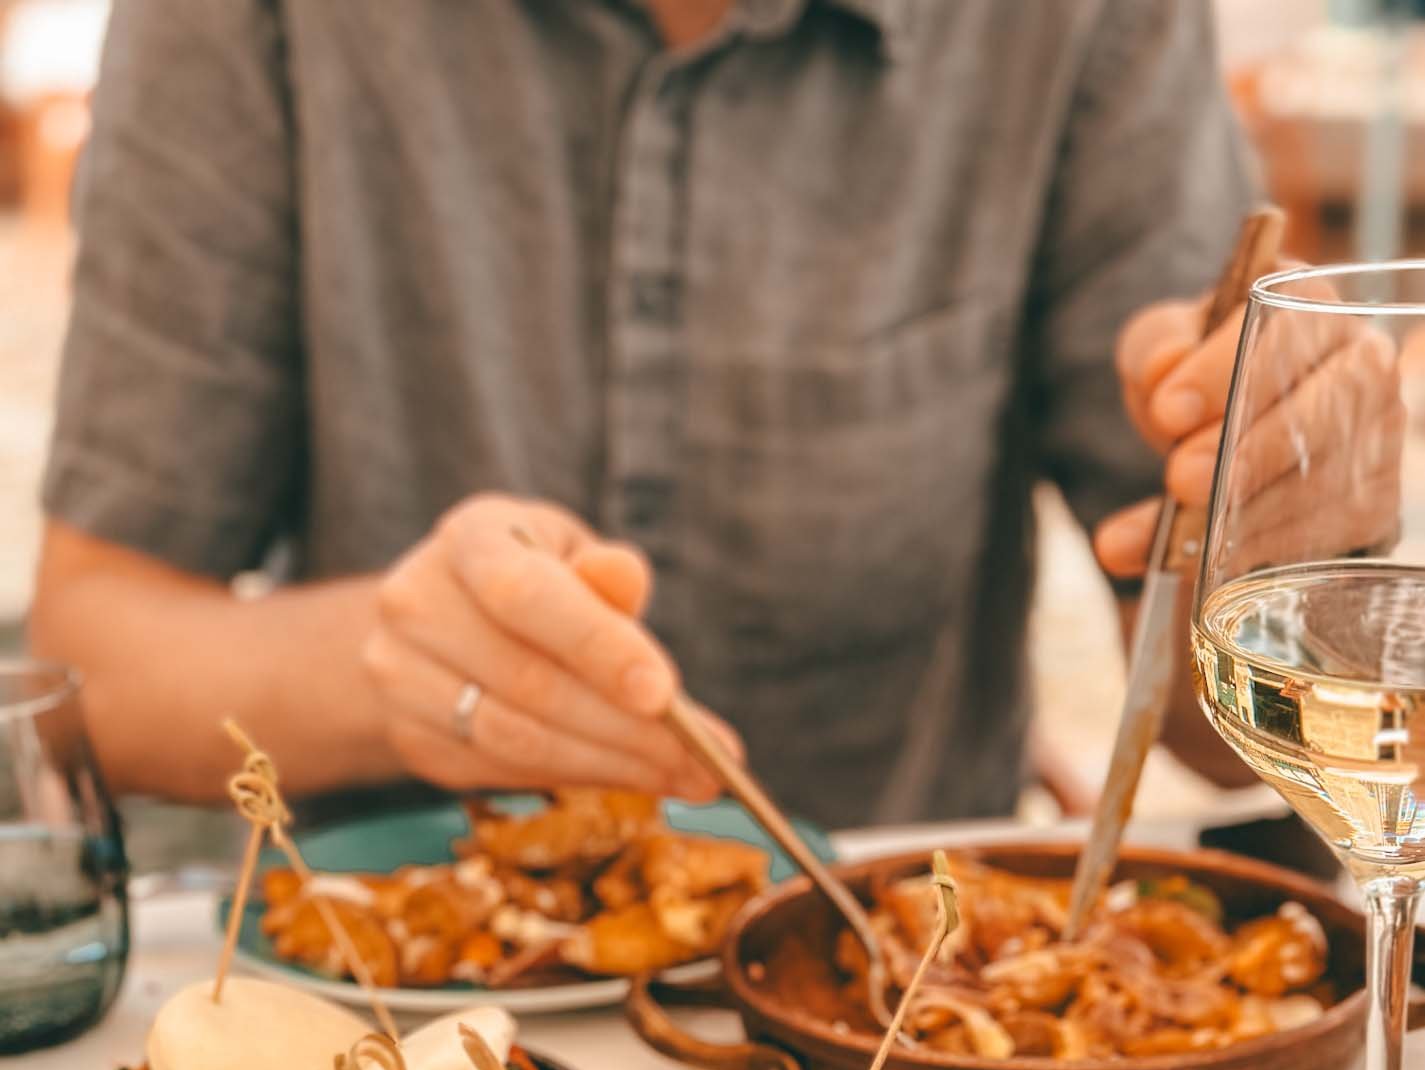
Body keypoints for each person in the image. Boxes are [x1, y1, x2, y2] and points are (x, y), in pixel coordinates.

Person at [24, 0, 1379, 828]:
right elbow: (100, 669)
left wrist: (1299, 536)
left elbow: (1216, 740)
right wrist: (388, 665)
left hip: (914, 1022)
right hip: (407, 1008)